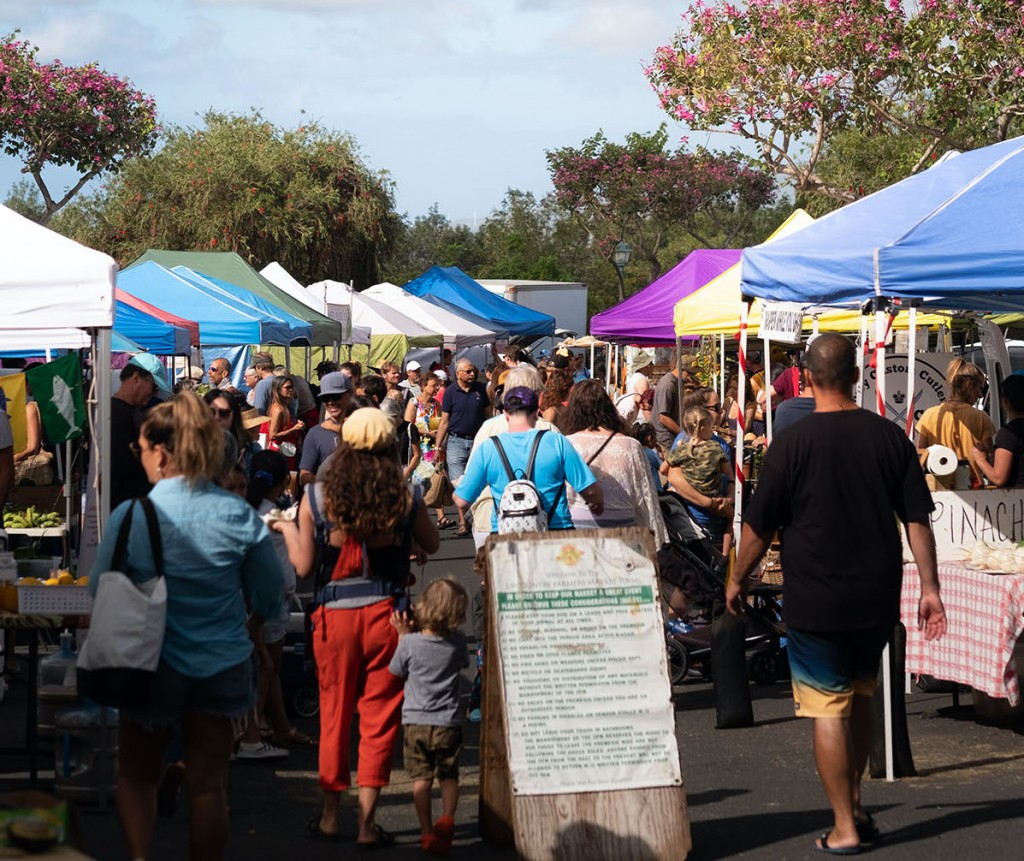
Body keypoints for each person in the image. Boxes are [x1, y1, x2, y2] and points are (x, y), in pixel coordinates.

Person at [725, 333, 947, 855]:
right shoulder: (890, 438)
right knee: (861, 695)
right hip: (875, 595)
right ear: (855, 376)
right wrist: (931, 587)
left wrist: (737, 578)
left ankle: (845, 825)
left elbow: (757, 528)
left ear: (804, 377)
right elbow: (918, 519)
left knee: (828, 708)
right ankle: (856, 803)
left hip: (816, 598)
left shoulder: (790, 446)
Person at [89, 393, 284, 861]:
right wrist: (251, 621)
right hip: (221, 662)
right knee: (209, 786)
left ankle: (140, 856)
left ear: (162, 451)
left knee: (136, 775)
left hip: (147, 662)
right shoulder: (238, 513)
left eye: (141, 449)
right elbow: (270, 595)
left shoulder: (130, 516)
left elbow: (99, 591)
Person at [272, 408, 440, 847]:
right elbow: (433, 542)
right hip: (389, 615)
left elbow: (306, 565)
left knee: (334, 714)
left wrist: (287, 531)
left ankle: (331, 816)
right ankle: (367, 824)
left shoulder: (318, 498)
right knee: (380, 717)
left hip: (335, 615)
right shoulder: (405, 493)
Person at [235, 450, 315, 760]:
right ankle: (251, 733)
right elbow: (301, 549)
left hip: (255, 596)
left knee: (269, 666)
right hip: (271, 600)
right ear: (284, 481)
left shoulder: (248, 510)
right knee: (267, 667)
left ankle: (278, 726)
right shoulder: (276, 514)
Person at [389, 578, 469, 857]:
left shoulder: (409, 643)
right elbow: (464, 663)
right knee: (449, 777)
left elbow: (396, 670)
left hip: (416, 722)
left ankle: (425, 832)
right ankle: (447, 817)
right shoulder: (457, 642)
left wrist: (401, 635)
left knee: (421, 780)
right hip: (447, 721)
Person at [454, 387, 604, 533]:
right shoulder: (556, 442)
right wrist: (596, 503)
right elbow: (590, 491)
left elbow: (462, 500)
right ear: (536, 413)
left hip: (506, 536)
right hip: (555, 532)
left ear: (506, 414)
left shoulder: (488, 448)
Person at [562, 379, 667, 544]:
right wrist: (656, 541)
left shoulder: (567, 443)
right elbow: (646, 496)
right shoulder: (630, 445)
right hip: (623, 529)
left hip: (579, 528)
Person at [916, 357, 995, 488]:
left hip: (938, 487)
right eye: (979, 388)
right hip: (973, 488)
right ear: (969, 386)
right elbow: (989, 458)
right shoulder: (981, 418)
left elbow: (922, 453)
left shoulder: (929, 415)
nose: (980, 395)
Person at [666, 406, 734, 553]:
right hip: (715, 499)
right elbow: (728, 473)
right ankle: (725, 555)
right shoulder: (716, 448)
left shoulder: (682, 449)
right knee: (733, 518)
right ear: (703, 428)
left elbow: (664, 469)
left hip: (693, 505)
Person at [436, 359, 491, 536]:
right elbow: (444, 422)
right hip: (455, 442)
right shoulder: (450, 392)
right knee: (458, 483)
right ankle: (463, 521)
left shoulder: (480, 389)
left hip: (478, 441)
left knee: (480, 480)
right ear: (458, 373)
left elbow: (488, 414)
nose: (472, 374)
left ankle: (475, 517)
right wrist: (438, 447)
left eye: (473, 371)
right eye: (468, 371)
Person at [111, 354, 172, 508]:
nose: (155, 393)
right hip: (124, 506)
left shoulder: (137, 412)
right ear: (136, 378)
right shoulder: (114, 414)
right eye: (154, 386)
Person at [405, 373, 448, 527]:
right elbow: (408, 426)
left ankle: (441, 516)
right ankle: (416, 516)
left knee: (436, 479)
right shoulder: (414, 403)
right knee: (421, 481)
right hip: (420, 446)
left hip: (435, 447)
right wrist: (425, 433)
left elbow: (442, 423)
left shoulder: (437, 404)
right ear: (423, 386)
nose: (436, 388)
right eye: (433, 385)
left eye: (437, 385)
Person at [298, 372, 352, 485]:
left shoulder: (362, 429)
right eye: (326, 398)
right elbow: (304, 475)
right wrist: (328, 482)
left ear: (350, 394)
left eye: (336, 397)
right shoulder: (315, 434)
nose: (331, 402)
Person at [972, 373, 1024, 487]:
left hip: (1016, 500)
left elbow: (999, 478)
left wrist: (980, 459)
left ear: (1005, 402)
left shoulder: (1009, 434)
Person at [650, 355, 696, 450]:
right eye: (691, 373)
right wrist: (683, 433)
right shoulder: (668, 384)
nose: (692, 377)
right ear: (683, 370)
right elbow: (663, 417)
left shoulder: (676, 382)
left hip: (671, 437)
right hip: (665, 439)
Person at [260, 376, 305, 470]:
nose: (291, 390)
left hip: (284, 451)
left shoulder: (283, 407)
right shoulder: (278, 409)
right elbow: (273, 435)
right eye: (287, 387)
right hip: (279, 453)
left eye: (292, 387)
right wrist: (294, 429)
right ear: (278, 390)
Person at [539, 368, 573, 433]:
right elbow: (546, 435)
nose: (570, 392)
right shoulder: (551, 412)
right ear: (562, 391)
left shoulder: (561, 407)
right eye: (569, 389)